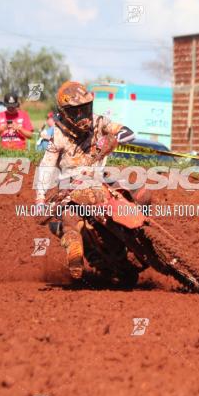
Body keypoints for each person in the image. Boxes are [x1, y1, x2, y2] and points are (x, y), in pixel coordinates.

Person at [34, 81, 135, 278]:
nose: (82, 116)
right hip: (71, 187)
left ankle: (145, 233)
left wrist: (116, 137)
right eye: (76, 112)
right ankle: (75, 250)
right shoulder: (59, 135)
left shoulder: (99, 122)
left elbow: (126, 131)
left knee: (139, 194)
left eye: (85, 109)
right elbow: (46, 167)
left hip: (101, 181)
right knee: (68, 219)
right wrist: (39, 199)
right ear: (65, 114)